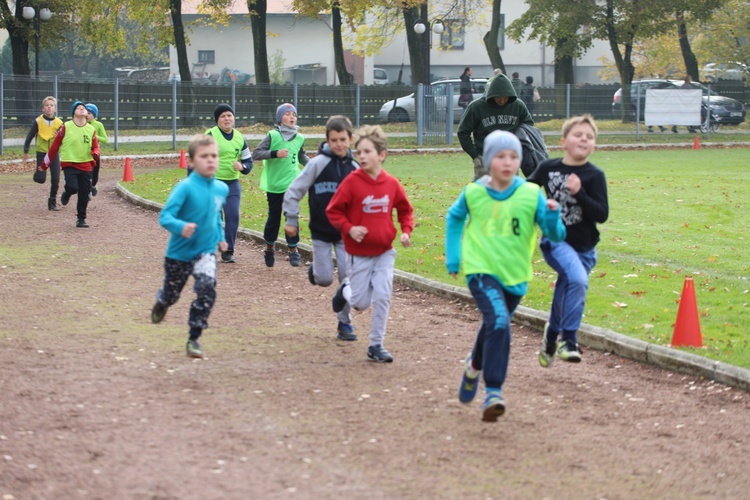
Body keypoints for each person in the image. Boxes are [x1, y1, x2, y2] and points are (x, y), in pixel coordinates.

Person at [446, 130, 566, 422]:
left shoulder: (530, 194)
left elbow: (556, 235)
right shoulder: (474, 192)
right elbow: (454, 217)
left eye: (513, 156)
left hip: (515, 277)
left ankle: (473, 366)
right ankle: (494, 391)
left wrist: (551, 215)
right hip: (481, 271)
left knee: (494, 324)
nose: (508, 162)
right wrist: (454, 256)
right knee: (499, 321)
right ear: (488, 160)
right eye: (500, 156)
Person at [326, 125, 414, 363]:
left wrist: (406, 231)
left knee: (384, 295)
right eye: (359, 152)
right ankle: (345, 289)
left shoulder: (391, 183)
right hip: (359, 254)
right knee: (361, 302)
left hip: (385, 252)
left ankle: (376, 345)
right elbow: (333, 211)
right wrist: (350, 228)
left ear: (382, 155)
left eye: (367, 151)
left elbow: (405, 210)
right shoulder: (352, 182)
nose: (361, 156)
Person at [526, 114, 609, 366]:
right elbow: (526, 194)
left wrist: (579, 192)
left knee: (568, 289)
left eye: (589, 137)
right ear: (563, 142)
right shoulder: (548, 168)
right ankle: (569, 341)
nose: (584, 139)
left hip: (585, 248)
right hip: (555, 242)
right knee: (578, 281)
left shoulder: (595, 175)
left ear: (593, 146)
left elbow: (601, 215)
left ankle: (551, 337)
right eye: (578, 134)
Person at [150, 135, 229, 359]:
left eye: (214, 156)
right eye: (204, 156)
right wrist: (181, 226)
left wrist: (221, 237)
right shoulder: (184, 188)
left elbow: (215, 218)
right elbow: (165, 217)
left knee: (207, 289)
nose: (210, 160)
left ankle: (194, 337)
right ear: (192, 161)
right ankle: (162, 302)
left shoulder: (221, 189)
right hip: (178, 254)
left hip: (205, 252)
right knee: (172, 295)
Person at [282, 115, 359, 341]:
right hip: (322, 232)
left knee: (348, 279)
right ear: (327, 140)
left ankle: (344, 324)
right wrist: (291, 220)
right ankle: (315, 272)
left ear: (351, 139)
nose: (338, 144)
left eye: (343, 139)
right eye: (334, 140)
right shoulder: (317, 164)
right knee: (325, 278)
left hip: (346, 234)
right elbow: (295, 191)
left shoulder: (355, 168)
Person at [253, 103, 309, 268]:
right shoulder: (272, 135)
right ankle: (269, 248)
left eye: (294, 114)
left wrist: (313, 166)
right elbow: (256, 153)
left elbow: (301, 155)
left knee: (292, 216)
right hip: (275, 185)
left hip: (293, 184)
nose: (292, 117)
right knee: (274, 218)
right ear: (280, 118)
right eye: (288, 114)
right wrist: (274, 154)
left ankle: (293, 249)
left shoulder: (299, 138)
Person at [458, 73, 534, 181]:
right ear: (491, 94)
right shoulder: (477, 107)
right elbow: (463, 132)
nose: (502, 101)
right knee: (483, 192)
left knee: (510, 192)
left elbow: (529, 127)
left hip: (509, 157)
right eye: (498, 98)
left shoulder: (518, 105)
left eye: (505, 98)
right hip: (484, 157)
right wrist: (475, 155)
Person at [205, 103, 253, 263]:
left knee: (233, 215)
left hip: (232, 183)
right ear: (217, 120)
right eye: (223, 116)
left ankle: (228, 250)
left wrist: (243, 167)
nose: (227, 118)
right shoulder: (210, 135)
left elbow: (248, 161)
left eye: (229, 115)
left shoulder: (240, 137)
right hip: (213, 181)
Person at [39, 101, 100, 228]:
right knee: (73, 187)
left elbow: (96, 147)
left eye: (83, 108)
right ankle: (67, 192)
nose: (82, 109)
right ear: (73, 113)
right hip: (70, 163)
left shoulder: (91, 129)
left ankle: (81, 219)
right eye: (79, 108)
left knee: (84, 193)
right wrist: (44, 165)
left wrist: (95, 152)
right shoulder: (66, 126)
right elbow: (54, 147)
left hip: (86, 165)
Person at [23, 96, 63, 211]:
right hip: (41, 153)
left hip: (53, 153)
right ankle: (37, 174)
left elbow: (65, 139)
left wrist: (59, 138)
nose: (49, 107)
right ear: (43, 109)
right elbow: (30, 136)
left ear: (55, 109)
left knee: (55, 178)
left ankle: (52, 203)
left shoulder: (59, 123)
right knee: (41, 179)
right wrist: (26, 151)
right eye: (47, 105)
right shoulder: (38, 121)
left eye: (52, 105)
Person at [84, 103, 108, 198]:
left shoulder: (98, 125)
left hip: (95, 153)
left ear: (94, 115)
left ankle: (93, 185)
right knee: (87, 173)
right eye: (86, 113)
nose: (87, 115)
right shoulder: (82, 124)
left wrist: (95, 136)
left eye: (89, 113)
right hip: (85, 153)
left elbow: (105, 139)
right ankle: (88, 191)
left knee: (95, 173)